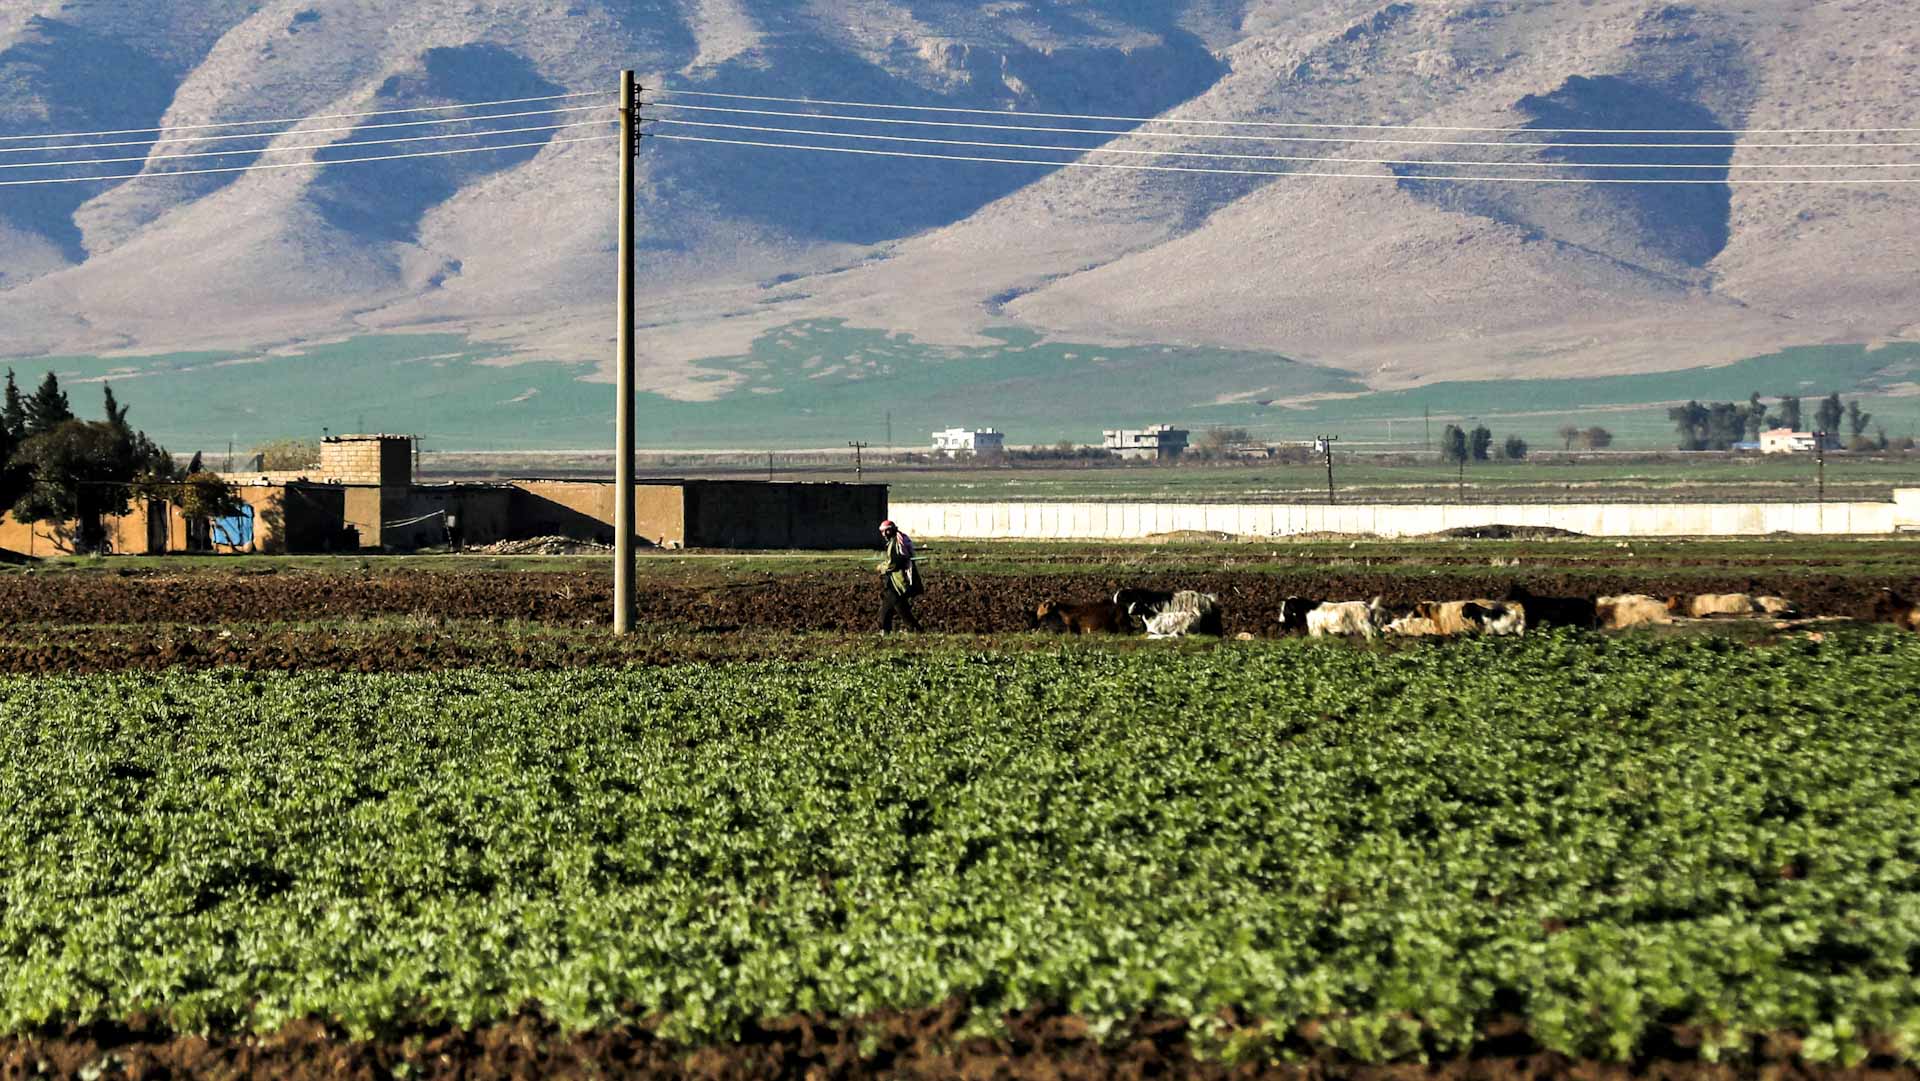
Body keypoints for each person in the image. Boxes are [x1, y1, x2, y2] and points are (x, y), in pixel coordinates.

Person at [876, 519, 923, 632]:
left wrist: (881, 567)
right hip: (895, 580)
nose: (883, 534)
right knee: (891, 607)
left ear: (890, 531)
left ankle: (914, 629)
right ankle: (885, 629)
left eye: (885, 531)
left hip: (898, 581)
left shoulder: (895, 543)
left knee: (898, 606)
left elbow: (894, 564)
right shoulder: (899, 540)